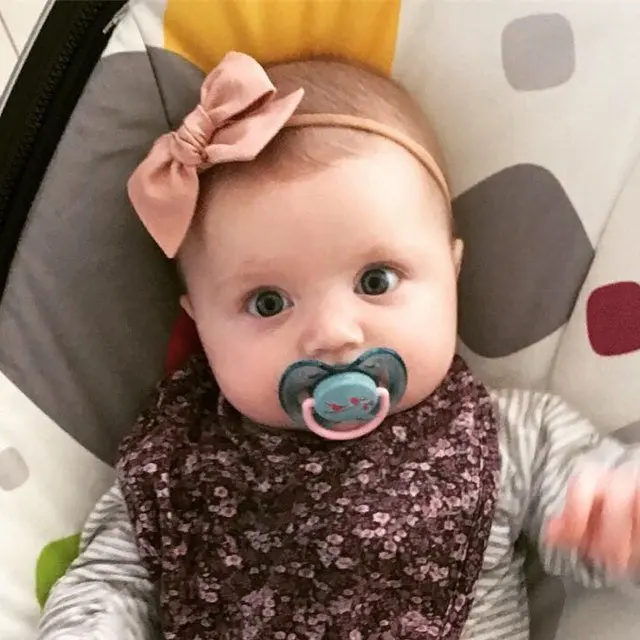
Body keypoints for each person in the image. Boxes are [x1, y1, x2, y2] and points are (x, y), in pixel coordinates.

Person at [37, 51, 640, 640]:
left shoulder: (511, 436)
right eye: (267, 302)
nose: (332, 333)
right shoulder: (176, 460)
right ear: (200, 324)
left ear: (452, 274)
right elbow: (104, 584)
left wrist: (618, 518)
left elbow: (599, 512)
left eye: (375, 281)